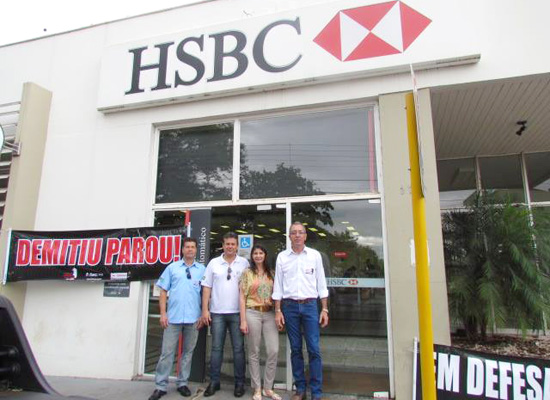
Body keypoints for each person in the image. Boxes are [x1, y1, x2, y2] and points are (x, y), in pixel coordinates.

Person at [272, 222, 329, 400]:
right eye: (293, 233)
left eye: (300, 232)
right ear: (289, 236)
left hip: (310, 306)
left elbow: (322, 284)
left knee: (314, 349)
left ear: (305, 236)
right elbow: (278, 286)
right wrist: (278, 310)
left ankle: (316, 392)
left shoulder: (314, 256)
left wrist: (324, 309)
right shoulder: (282, 257)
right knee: (295, 349)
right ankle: (300, 389)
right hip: (289, 307)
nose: (297, 235)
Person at [148, 237, 206, 400]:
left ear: (196, 250)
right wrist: (163, 313)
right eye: (187, 247)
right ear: (182, 250)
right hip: (172, 318)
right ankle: (160, 386)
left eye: (193, 247)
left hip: (193, 319)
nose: (190, 249)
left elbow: (206, 293)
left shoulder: (202, 270)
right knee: (167, 353)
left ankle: (182, 383)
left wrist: (203, 313)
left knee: (187, 353)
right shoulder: (172, 268)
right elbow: (163, 291)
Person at [201, 232, 250, 397]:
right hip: (217, 313)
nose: (230, 247)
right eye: (227, 244)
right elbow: (206, 287)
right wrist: (205, 310)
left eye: (233, 244)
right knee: (216, 349)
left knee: (238, 349)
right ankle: (214, 382)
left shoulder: (244, 263)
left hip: (237, 313)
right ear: (223, 245)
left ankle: (239, 383)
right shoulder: (213, 263)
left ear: (237, 246)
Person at [239, 245, 281, 400]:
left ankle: (268, 388)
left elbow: (278, 294)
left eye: (260, 253)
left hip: (269, 313)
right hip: (252, 313)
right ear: (252, 256)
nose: (258, 256)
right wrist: (243, 320)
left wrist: (278, 312)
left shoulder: (272, 273)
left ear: (265, 255)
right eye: (255, 253)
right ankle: (257, 387)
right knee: (254, 351)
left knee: (273, 350)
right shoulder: (247, 273)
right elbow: (242, 297)